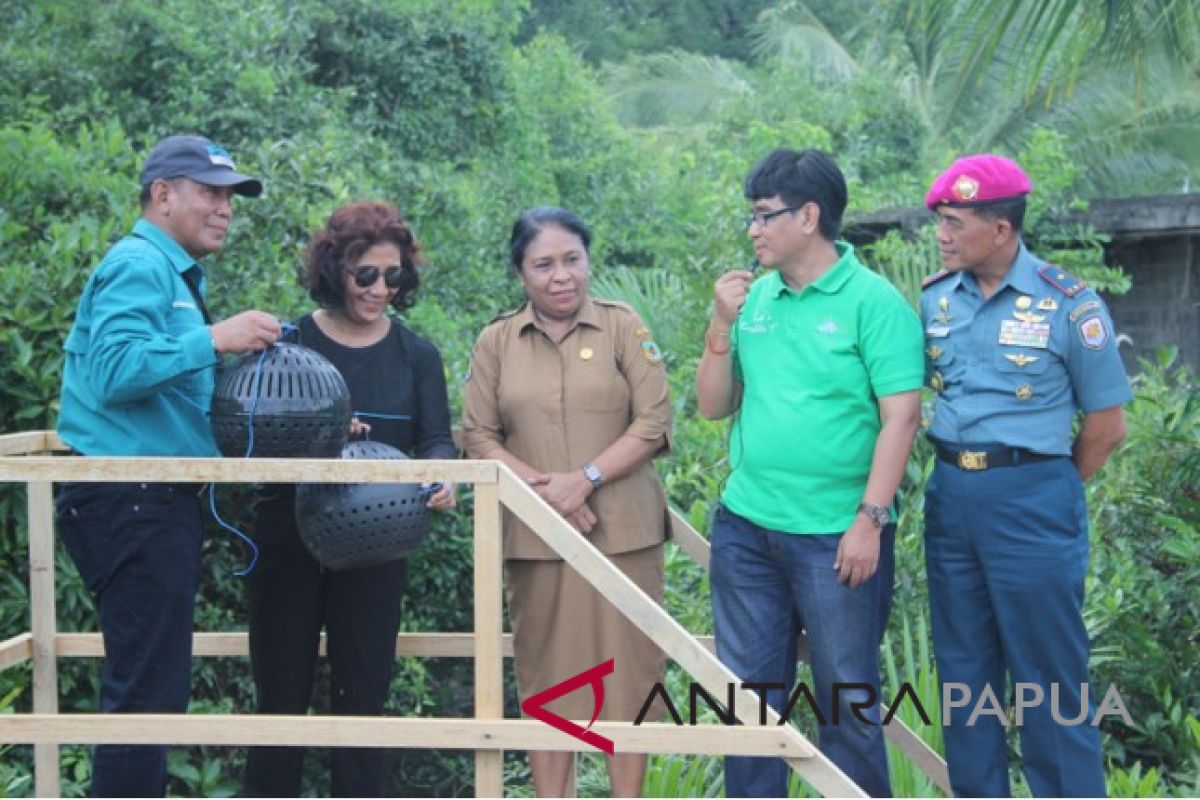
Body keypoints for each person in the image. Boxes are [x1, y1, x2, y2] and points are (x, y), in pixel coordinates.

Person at [54, 134, 280, 797]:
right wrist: (214, 337)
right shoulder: (137, 265)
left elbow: (172, 398)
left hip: (151, 498)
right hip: (130, 497)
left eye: (229, 198)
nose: (225, 210)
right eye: (210, 193)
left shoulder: (169, 272)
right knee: (145, 693)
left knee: (152, 687)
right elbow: (118, 370)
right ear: (162, 196)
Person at [695, 148, 924, 797]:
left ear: (809, 215)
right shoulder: (755, 299)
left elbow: (901, 418)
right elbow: (714, 405)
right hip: (747, 532)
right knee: (747, 704)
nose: (753, 230)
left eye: (765, 216)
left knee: (846, 703)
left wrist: (870, 520)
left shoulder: (873, 303)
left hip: (836, 538)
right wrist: (719, 323)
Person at [920, 154, 1131, 797]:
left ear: (1001, 229)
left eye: (955, 222)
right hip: (952, 497)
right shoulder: (934, 300)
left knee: (1049, 679)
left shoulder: (1070, 304)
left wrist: (1047, 484)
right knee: (963, 678)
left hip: (1032, 500)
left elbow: (1106, 426)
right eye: (940, 222)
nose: (942, 235)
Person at [242, 200, 457, 797]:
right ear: (335, 270)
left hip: (377, 539)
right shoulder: (289, 345)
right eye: (366, 274)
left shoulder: (417, 355)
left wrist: (442, 477)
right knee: (279, 697)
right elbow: (251, 436)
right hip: (287, 533)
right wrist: (322, 435)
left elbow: (436, 440)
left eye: (393, 276)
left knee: (363, 697)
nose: (380, 289)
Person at [462, 207, 671, 797]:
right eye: (543, 264)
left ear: (588, 261)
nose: (561, 276)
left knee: (629, 683)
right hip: (539, 544)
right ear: (520, 272)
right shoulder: (497, 340)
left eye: (572, 260)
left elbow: (654, 421)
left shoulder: (624, 326)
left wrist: (586, 479)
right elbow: (478, 437)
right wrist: (548, 494)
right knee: (551, 684)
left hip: (624, 538)